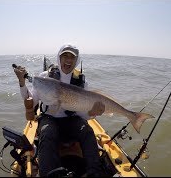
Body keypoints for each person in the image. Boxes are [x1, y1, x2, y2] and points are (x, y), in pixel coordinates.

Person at [14, 44, 105, 177]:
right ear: (59, 58)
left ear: (77, 60)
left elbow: (82, 115)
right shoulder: (44, 77)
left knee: (87, 131)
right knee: (47, 133)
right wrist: (22, 83)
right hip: (49, 119)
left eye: (72, 57)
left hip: (72, 119)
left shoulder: (82, 82)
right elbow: (31, 101)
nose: (68, 60)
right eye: (65, 56)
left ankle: (94, 173)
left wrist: (92, 113)